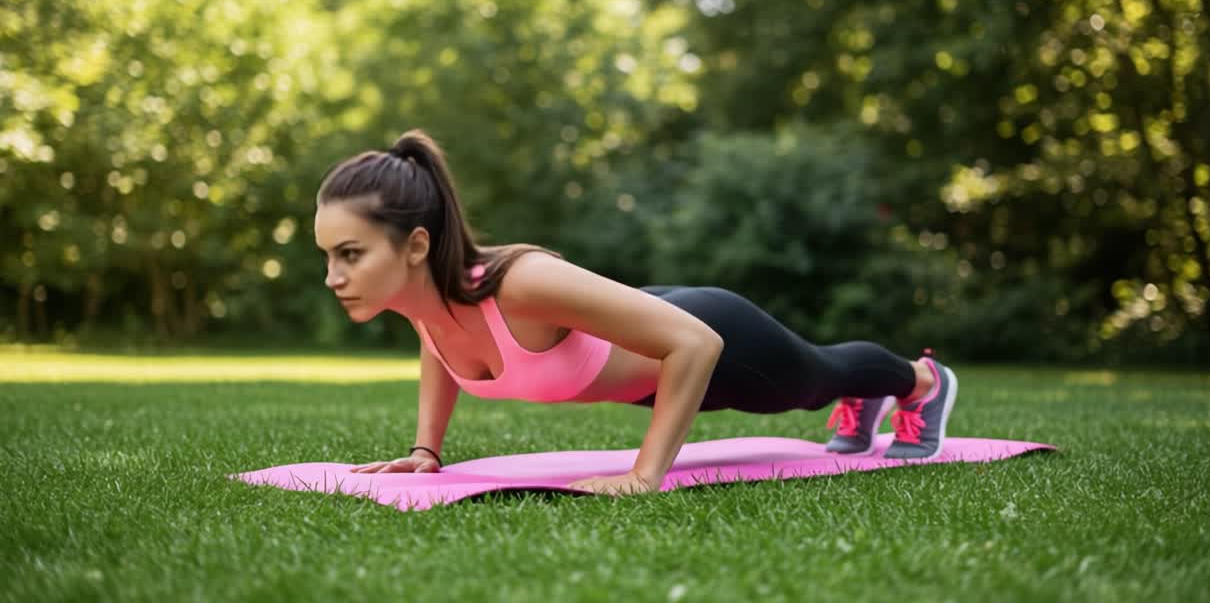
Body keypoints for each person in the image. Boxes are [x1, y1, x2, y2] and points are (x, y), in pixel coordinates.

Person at [320, 130, 958, 496]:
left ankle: (922, 381)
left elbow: (697, 344)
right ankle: (866, 397)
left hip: (714, 338)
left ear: (416, 245)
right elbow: (440, 346)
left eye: (350, 253)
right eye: (328, 255)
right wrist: (425, 450)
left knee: (815, 378)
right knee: (821, 380)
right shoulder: (425, 300)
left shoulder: (522, 285)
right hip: (651, 364)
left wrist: (644, 474)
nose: (333, 276)